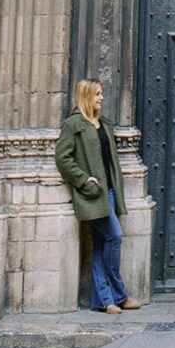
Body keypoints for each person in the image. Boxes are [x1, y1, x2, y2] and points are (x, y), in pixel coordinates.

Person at [55, 79, 142, 314]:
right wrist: (83, 180)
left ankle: (104, 300)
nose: (101, 98)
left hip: (110, 191)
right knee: (114, 235)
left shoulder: (103, 123)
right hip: (93, 194)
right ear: (85, 97)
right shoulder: (74, 125)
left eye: (101, 94)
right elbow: (62, 158)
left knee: (101, 243)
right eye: (97, 94)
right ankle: (119, 294)